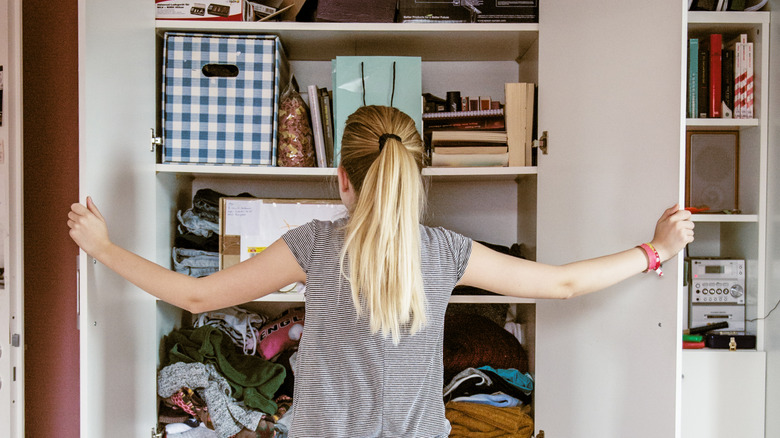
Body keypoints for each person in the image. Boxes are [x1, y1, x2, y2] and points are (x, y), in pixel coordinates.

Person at [68, 105, 694, 437]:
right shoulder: (445, 251)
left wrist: (102, 247)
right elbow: (561, 283)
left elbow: (195, 298)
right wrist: (656, 249)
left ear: (341, 179)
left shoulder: (313, 246)